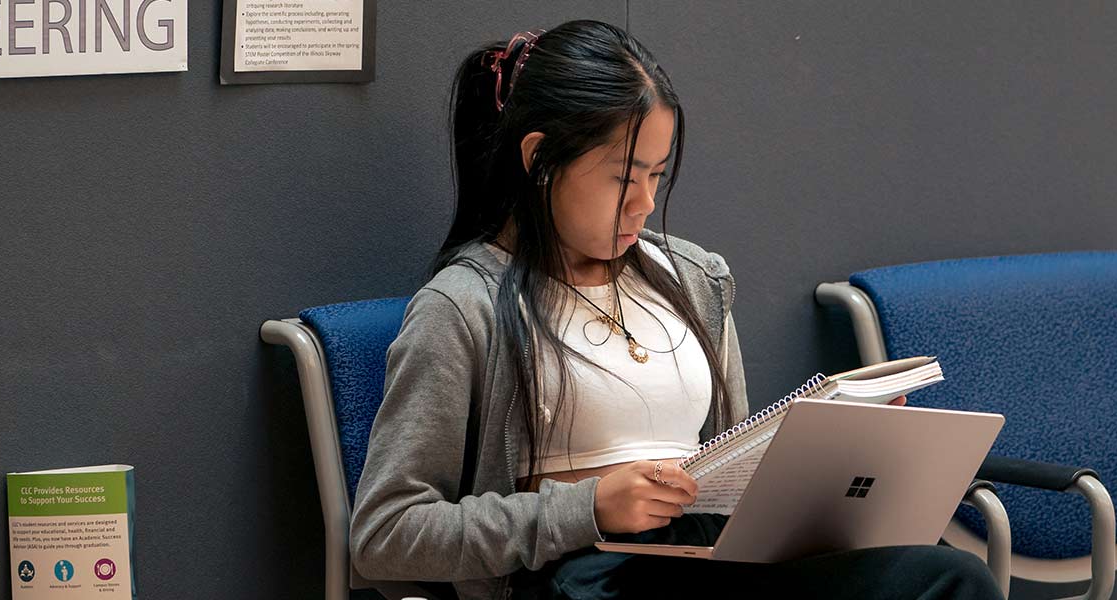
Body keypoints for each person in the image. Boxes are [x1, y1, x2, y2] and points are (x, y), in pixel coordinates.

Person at [347, 19, 1001, 600]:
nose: (644, 204)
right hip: (580, 571)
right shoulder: (464, 308)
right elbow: (385, 533)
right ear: (539, 160)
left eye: (657, 176)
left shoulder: (695, 277)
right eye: (623, 177)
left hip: (708, 555)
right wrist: (590, 507)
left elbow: (735, 466)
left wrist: (836, 454)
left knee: (948, 576)